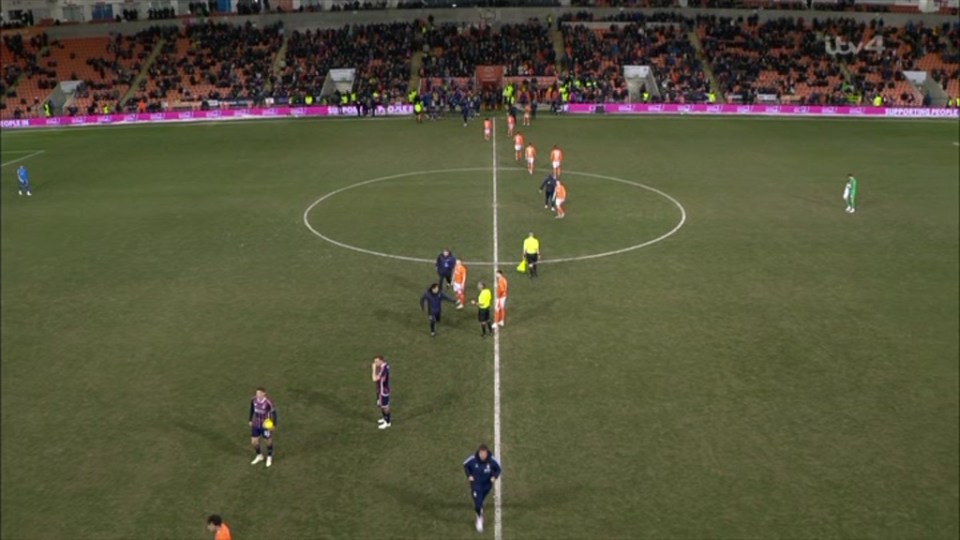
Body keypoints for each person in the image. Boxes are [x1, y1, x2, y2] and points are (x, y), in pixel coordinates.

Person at [463, 443, 501, 533]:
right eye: (482, 453)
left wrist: (494, 477)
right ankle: (479, 518)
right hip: (476, 485)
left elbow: (499, 469)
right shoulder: (473, 459)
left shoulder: (492, 460)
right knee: (478, 503)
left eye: (485, 453)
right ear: (479, 452)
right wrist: (469, 475)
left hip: (487, 485)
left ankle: (479, 509)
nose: (483, 455)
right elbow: (465, 465)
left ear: (487, 453)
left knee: (481, 500)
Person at [249, 387, 278, 467]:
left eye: (259, 393)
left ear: (263, 393)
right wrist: (250, 420)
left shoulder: (268, 402)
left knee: (268, 441)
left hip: (265, 425)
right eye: (256, 393)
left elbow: (274, 413)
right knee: (254, 441)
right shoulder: (253, 400)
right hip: (256, 424)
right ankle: (259, 455)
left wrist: (274, 425)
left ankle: (269, 456)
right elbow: (252, 409)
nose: (257, 394)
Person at [371, 355, 391, 429]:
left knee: (385, 406)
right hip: (381, 389)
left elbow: (374, 379)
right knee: (381, 405)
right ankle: (385, 418)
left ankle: (387, 422)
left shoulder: (384, 369)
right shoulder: (385, 366)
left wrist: (373, 369)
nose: (375, 363)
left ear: (381, 361)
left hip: (383, 391)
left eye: (377, 361)